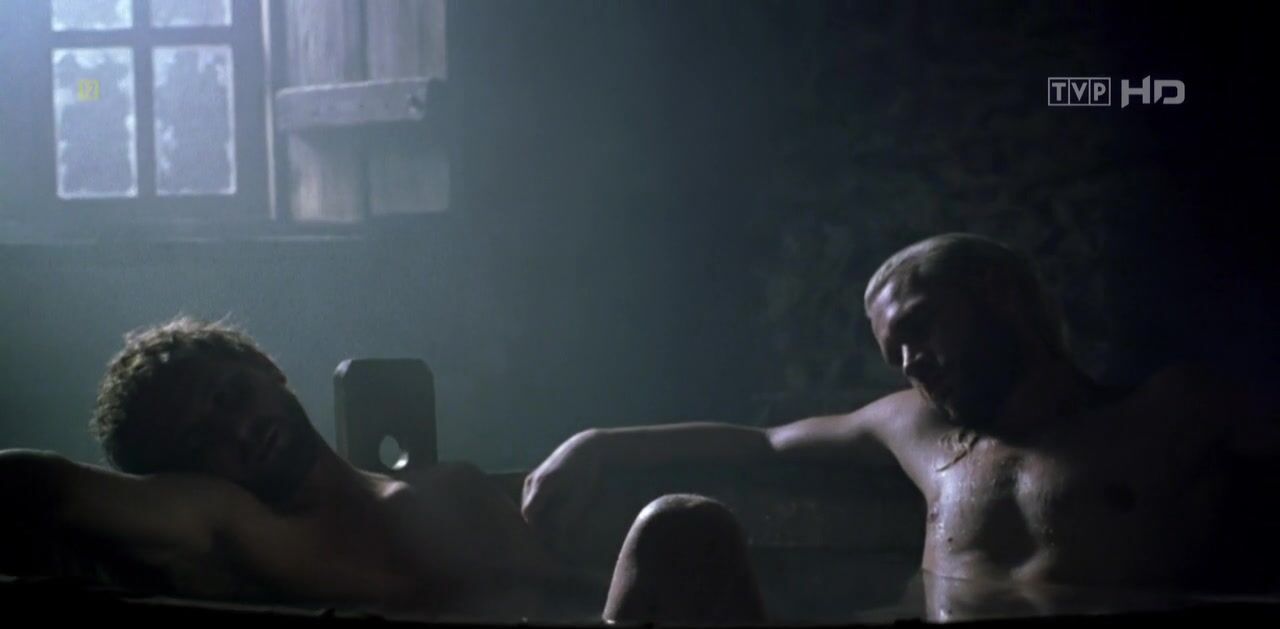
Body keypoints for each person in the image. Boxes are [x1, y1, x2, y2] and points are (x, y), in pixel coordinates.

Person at [521, 233, 1280, 621]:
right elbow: (763, 443)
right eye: (896, 354)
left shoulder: (1167, 412)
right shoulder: (917, 428)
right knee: (675, 527)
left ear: (1000, 296)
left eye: (920, 327)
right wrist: (594, 442)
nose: (913, 363)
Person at [0, 317, 765, 624]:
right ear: (183, 477)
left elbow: (765, 448)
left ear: (267, 368)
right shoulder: (241, 528)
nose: (237, 428)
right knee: (679, 528)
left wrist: (600, 442)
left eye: (232, 395)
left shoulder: (454, 487)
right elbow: (43, 486)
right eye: (203, 440)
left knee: (687, 530)